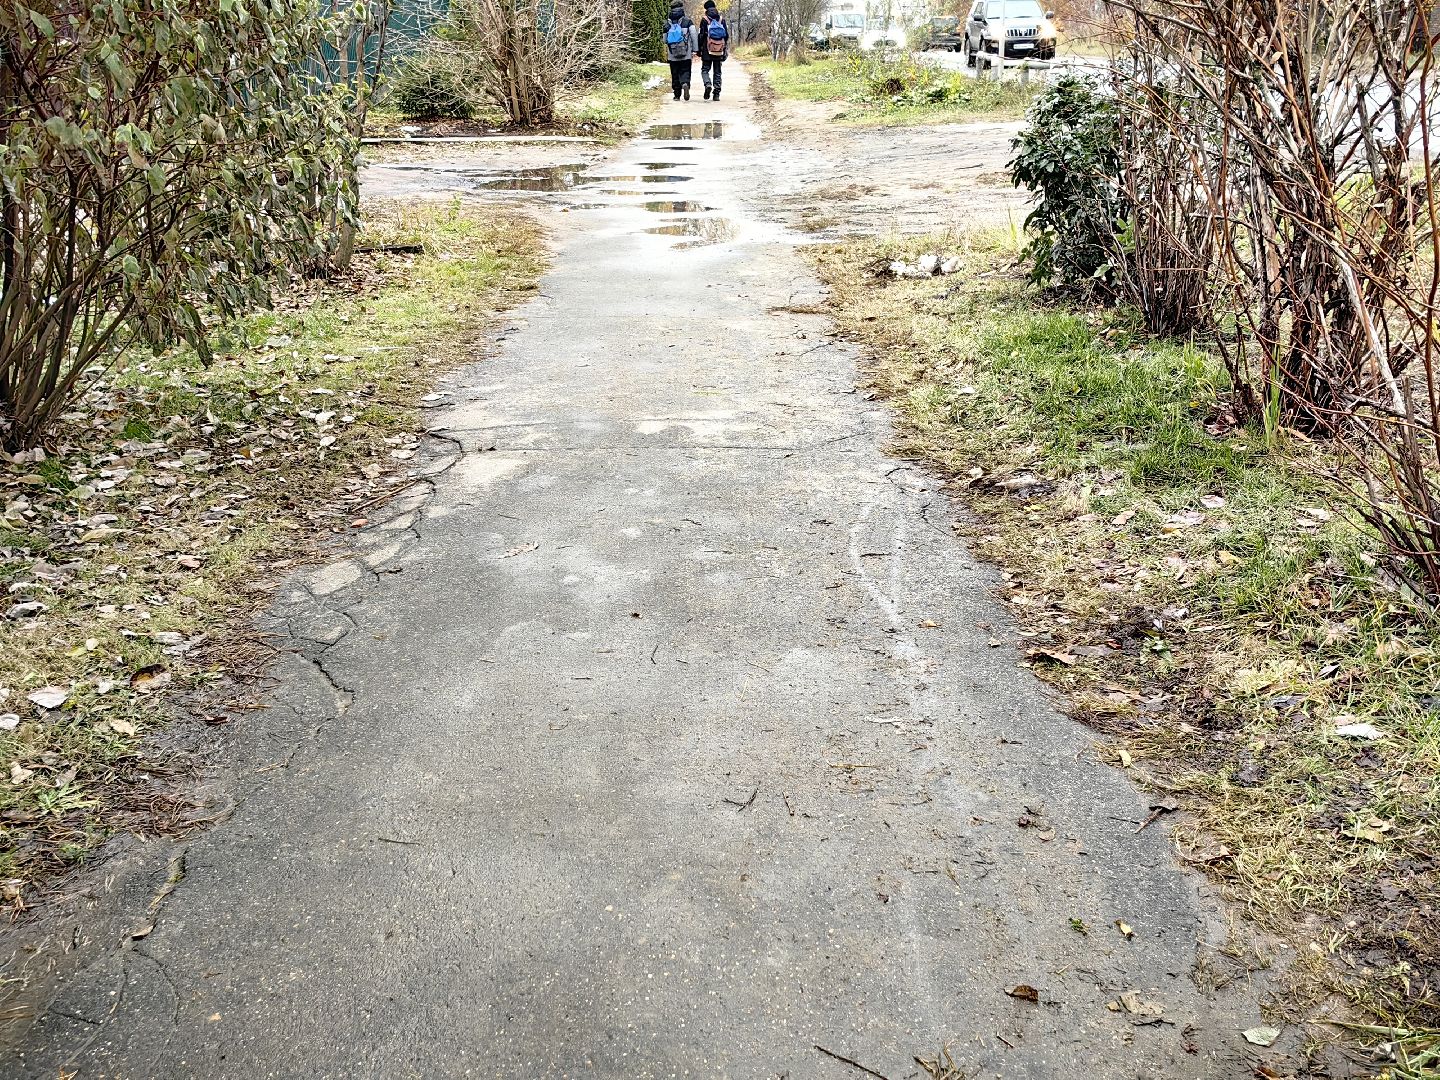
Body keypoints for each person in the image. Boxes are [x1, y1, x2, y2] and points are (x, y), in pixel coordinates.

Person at [663, 3, 698, 101]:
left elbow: (664, 40)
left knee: (675, 73)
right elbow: (694, 35)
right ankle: (685, 83)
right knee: (686, 70)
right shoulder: (687, 21)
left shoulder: (667, 23)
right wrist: (695, 49)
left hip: (672, 54)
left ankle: (677, 95)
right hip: (685, 53)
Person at [697, 0, 728, 101]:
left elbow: (701, 36)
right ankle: (716, 94)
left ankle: (707, 84)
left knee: (705, 70)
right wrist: (724, 47)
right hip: (719, 49)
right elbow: (726, 36)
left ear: (706, 9)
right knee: (717, 71)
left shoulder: (705, 19)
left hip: (707, 49)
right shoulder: (721, 19)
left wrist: (699, 49)